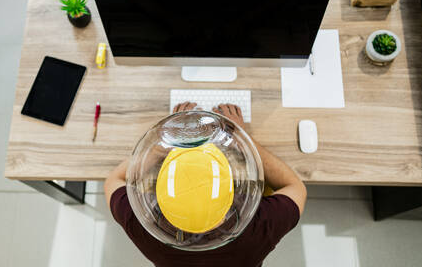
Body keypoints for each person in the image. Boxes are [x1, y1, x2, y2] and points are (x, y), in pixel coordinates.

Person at [104, 102, 307, 267]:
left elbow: (113, 180)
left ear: (160, 195)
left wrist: (167, 139)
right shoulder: (257, 231)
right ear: (232, 190)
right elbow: (295, 187)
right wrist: (241, 137)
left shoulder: (145, 229)